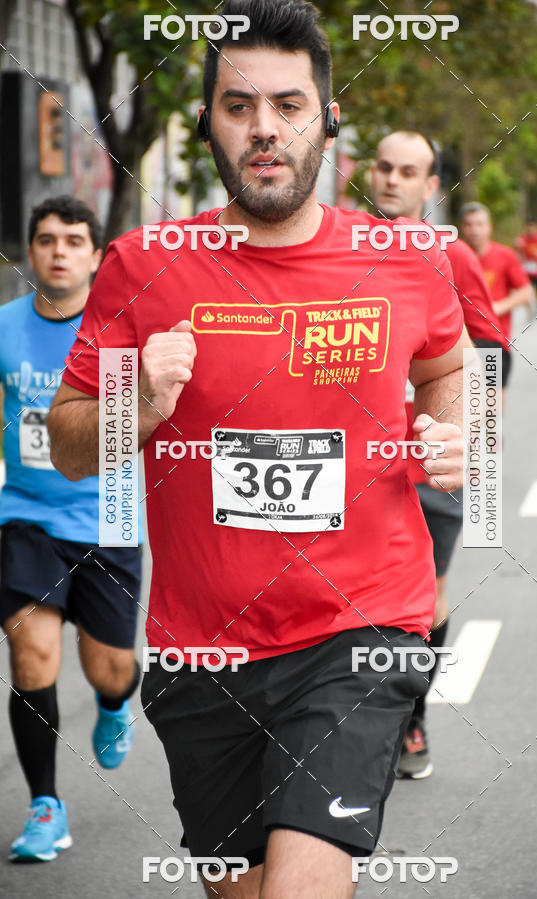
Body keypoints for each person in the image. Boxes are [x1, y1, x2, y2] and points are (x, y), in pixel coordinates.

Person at [48, 2, 471, 896]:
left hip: (361, 631)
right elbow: (73, 446)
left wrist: (457, 435)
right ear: (207, 121)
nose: (265, 129)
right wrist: (141, 403)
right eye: (238, 107)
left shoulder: (405, 260)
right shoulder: (141, 264)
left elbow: (449, 365)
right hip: (205, 656)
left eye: (288, 103)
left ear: (329, 116)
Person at [0, 196, 142, 863]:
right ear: (31, 252)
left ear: (96, 255)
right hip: (26, 517)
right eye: (47, 239)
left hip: (109, 515)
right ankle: (45, 805)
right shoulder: (3, 328)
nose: (59, 250)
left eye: (74, 240)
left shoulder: (119, 333)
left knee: (108, 668)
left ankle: (117, 702)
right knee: (31, 653)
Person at [369, 131, 508, 779]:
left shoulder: (449, 255)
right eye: (383, 167)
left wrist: (473, 434)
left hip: (426, 460)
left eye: (409, 172)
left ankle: (412, 716)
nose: (392, 180)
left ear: (431, 187)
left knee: (425, 600)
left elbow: (490, 348)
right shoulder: (340, 248)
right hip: (350, 461)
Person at [460, 202, 533, 404]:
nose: (474, 229)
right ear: (462, 227)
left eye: (479, 224)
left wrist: (497, 307)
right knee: (469, 408)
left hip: (493, 340)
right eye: (469, 224)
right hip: (461, 342)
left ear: (489, 226)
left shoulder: (504, 256)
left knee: (492, 409)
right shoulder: (456, 256)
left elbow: (526, 292)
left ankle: (495, 436)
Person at [515, 221, 537, 311]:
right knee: (526, 290)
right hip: (527, 270)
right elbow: (517, 251)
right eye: (529, 229)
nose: (531, 231)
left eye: (532, 229)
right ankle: (529, 310)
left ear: (536, 229)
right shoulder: (522, 239)